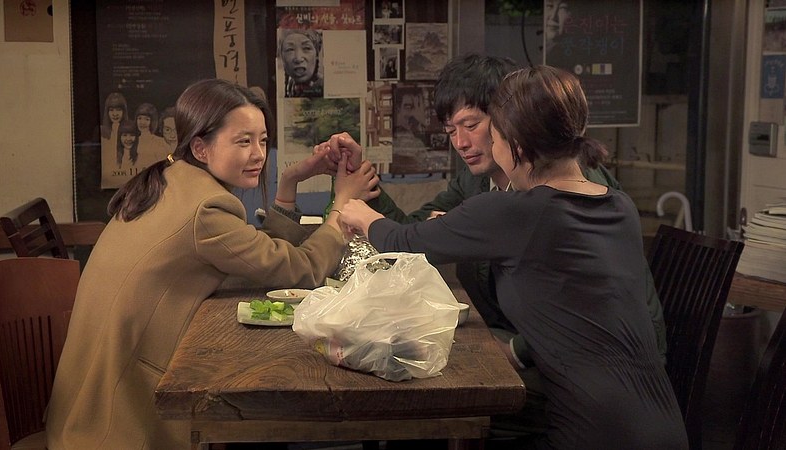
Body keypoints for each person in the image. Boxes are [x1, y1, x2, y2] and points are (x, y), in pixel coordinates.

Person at [337, 65, 688, 450]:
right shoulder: (620, 206)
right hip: (663, 425)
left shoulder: (515, 211)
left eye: (493, 135)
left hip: (589, 431)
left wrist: (358, 212)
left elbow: (405, 240)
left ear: (515, 144)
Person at [44, 79, 378, 450]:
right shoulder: (207, 209)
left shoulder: (172, 179)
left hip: (86, 402)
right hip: (117, 421)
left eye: (263, 140)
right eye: (243, 141)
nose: (258, 154)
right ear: (200, 148)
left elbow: (263, 257)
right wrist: (341, 208)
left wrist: (290, 180)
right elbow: (303, 270)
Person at [280, 29, 323, 98]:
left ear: (316, 54)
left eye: (306, 48)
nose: (298, 58)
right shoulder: (290, 86)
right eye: (290, 49)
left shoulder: (324, 88)